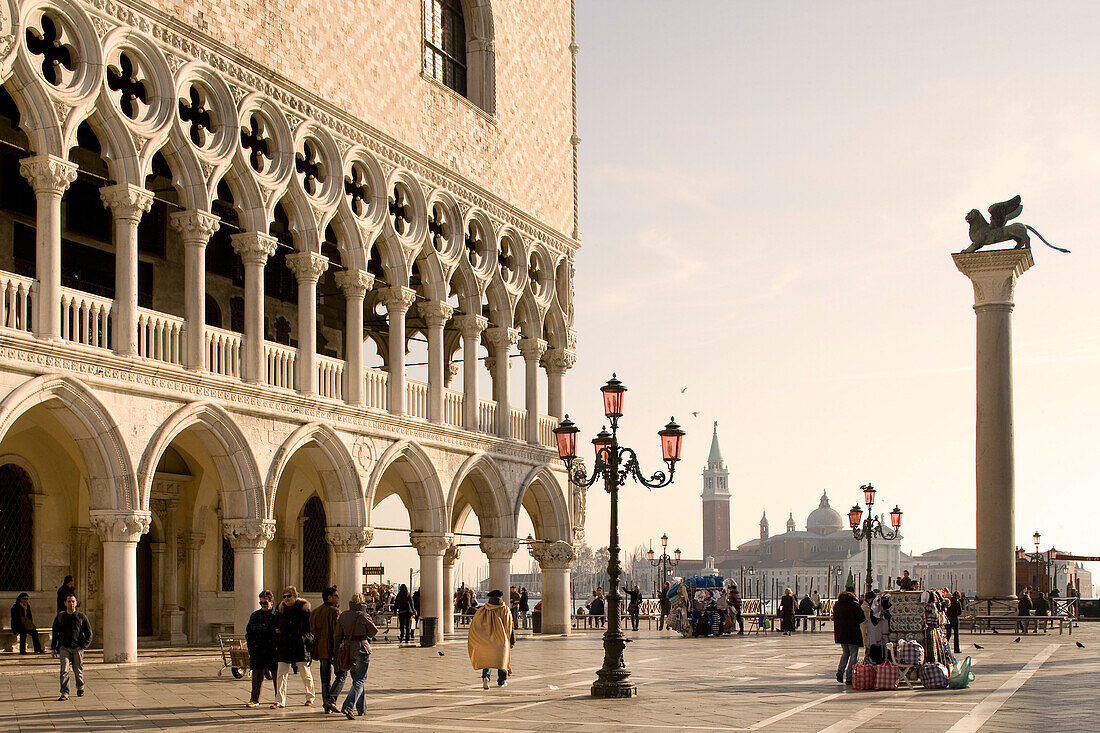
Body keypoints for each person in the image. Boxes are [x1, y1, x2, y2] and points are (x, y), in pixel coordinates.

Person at [334, 592, 378, 720]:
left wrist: (336, 650)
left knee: (357, 680)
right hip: (362, 649)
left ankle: (361, 708)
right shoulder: (364, 615)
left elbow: (337, 635)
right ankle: (348, 705)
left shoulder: (343, 615)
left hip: (348, 649)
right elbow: (373, 631)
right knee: (360, 680)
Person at [273, 586, 315, 709]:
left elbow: (310, 629)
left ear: (295, 597)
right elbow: (275, 625)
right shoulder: (280, 610)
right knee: (281, 674)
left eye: (289, 596)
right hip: (284, 645)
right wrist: (277, 634)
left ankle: (310, 697)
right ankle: (280, 700)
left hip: (299, 646)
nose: (286, 599)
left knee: (305, 673)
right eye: (284, 596)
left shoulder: (304, 610)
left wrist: (305, 639)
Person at [468, 589, 514, 688]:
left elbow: (476, 624)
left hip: (486, 639)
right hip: (501, 640)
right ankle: (501, 681)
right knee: (502, 660)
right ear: (500, 597)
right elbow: (510, 625)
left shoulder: (483, 609)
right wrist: (511, 640)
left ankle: (486, 677)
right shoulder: (505, 609)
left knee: (487, 660)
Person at [50, 592, 92, 701]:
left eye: (73, 601)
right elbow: (55, 632)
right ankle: (65, 692)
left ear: (76, 603)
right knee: (64, 670)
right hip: (64, 647)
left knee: (78, 670)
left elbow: (89, 634)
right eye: (69, 601)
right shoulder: (60, 617)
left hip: (77, 648)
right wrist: (53, 648)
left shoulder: (81, 617)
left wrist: (83, 646)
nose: (71, 603)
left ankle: (80, 686)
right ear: (65, 603)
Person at [310, 586, 343, 714]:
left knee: (325, 679)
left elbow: (312, 629)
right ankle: (331, 699)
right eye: (336, 595)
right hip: (332, 648)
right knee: (341, 674)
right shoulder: (335, 612)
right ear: (329, 597)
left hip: (320, 648)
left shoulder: (316, 611)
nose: (338, 597)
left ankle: (326, 705)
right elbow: (337, 632)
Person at [244, 590, 278, 708]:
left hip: (273, 650)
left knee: (276, 675)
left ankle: (278, 699)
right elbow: (249, 632)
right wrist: (251, 646)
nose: (263, 605)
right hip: (258, 649)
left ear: (271, 602)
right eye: (261, 603)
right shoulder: (255, 615)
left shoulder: (277, 615)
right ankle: (254, 699)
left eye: (265, 603)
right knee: (257, 675)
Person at [832, 586, 864, 685]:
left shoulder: (837, 605)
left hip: (841, 633)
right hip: (853, 633)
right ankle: (849, 677)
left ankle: (840, 670)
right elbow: (861, 618)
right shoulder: (854, 605)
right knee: (854, 655)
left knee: (845, 653)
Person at [861, 591, 887, 663]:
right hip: (867, 629)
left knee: (870, 645)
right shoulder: (865, 607)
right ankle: (867, 660)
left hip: (870, 630)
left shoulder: (867, 605)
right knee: (868, 646)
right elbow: (869, 617)